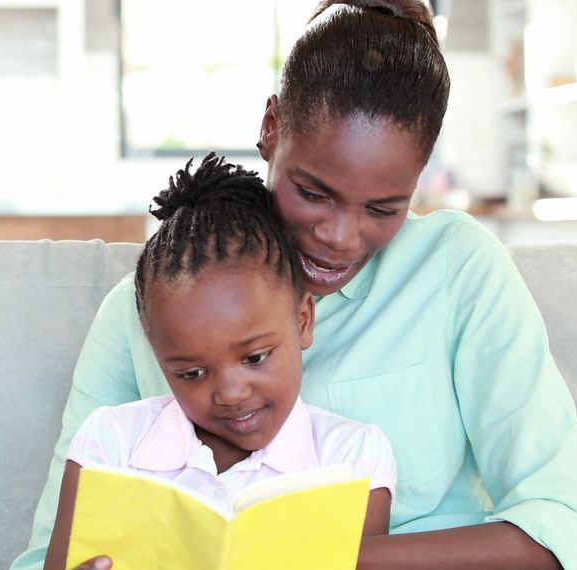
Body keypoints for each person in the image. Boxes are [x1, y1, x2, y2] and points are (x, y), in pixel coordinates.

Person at [13, 1, 577, 568]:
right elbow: (50, 553)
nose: (340, 237)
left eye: (383, 207)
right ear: (271, 127)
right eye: (314, 193)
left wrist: (315, 556)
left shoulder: (460, 269)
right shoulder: (145, 309)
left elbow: (566, 528)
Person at [44, 154, 397, 570]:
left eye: (255, 357)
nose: (230, 393)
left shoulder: (353, 458)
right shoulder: (111, 443)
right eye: (191, 373)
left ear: (303, 320)